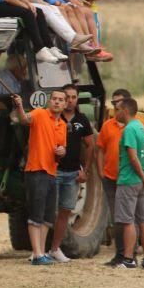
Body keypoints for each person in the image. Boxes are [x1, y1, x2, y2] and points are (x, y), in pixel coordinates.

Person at [12, 89, 67, 265]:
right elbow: (23, 120)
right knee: (36, 214)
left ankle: (42, 252)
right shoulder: (40, 114)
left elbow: (61, 149)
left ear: (65, 104)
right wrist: (20, 106)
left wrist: (62, 151)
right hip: (36, 171)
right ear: (49, 102)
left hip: (52, 172)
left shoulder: (63, 125)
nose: (57, 102)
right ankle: (36, 254)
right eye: (54, 99)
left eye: (61, 100)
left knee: (48, 217)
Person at [51, 84, 94, 262]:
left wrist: (86, 170)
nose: (69, 101)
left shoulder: (82, 120)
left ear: (77, 99)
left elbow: (90, 145)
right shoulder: (53, 117)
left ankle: (55, 248)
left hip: (72, 173)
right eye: (66, 97)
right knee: (48, 211)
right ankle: (38, 249)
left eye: (73, 97)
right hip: (53, 170)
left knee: (65, 211)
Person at [114, 98, 144, 269]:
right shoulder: (143, 129)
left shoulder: (129, 129)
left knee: (127, 220)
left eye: (117, 109)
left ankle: (129, 259)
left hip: (129, 180)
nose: (115, 112)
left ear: (125, 110)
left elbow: (132, 157)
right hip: (142, 182)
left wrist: (142, 175)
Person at [97, 90, 132, 265]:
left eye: (119, 104)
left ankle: (129, 254)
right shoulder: (107, 125)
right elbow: (100, 149)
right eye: (113, 104)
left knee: (130, 217)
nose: (115, 107)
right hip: (110, 178)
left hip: (129, 179)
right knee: (117, 217)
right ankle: (121, 254)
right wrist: (101, 171)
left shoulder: (136, 126)